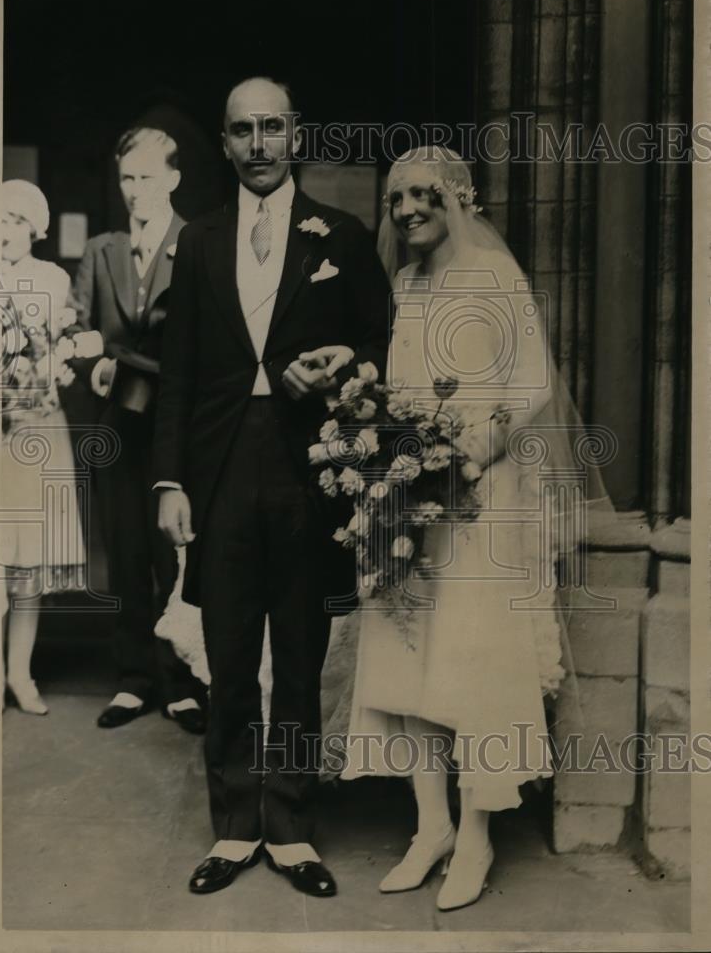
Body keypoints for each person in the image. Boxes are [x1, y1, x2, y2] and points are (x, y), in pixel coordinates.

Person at [303, 146, 614, 912]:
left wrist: (479, 442)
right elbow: (404, 388)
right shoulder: (404, 286)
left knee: (473, 662)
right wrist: (368, 421)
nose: (407, 208)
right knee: (404, 656)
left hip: (480, 497)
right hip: (409, 494)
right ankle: (430, 825)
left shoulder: (492, 278)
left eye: (423, 195)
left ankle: (475, 835)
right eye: (396, 197)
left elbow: (533, 379)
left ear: (456, 200)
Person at [153, 77, 392, 898]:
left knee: (296, 656)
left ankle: (290, 827)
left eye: (271, 127)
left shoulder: (344, 238)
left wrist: (345, 369)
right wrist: (169, 481)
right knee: (226, 658)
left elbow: (380, 344)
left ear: (296, 135)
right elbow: (178, 374)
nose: (257, 144)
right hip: (218, 474)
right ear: (224, 144)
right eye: (241, 131)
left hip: (306, 471)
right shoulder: (202, 241)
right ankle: (233, 825)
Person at [69, 127, 207, 733]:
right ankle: (133, 679)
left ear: (173, 179)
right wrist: (89, 356)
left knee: (173, 553)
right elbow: (74, 330)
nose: (135, 190)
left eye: (148, 177)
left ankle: (181, 681)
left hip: (177, 427)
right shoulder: (100, 250)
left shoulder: (199, 243)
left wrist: (115, 355)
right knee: (123, 551)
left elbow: (196, 350)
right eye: (127, 177)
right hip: (118, 426)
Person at [0, 179, 85, 715]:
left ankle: (19, 673)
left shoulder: (51, 280)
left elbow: (68, 345)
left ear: (34, 228)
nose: (5, 231)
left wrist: (58, 364)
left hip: (36, 427)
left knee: (27, 559)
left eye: (15, 221)